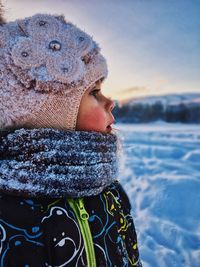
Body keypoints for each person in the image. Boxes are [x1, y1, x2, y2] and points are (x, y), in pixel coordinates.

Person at [0, 11, 142, 267]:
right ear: (45, 113)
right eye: (95, 92)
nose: (111, 102)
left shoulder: (111, 191)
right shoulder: (7, 212)